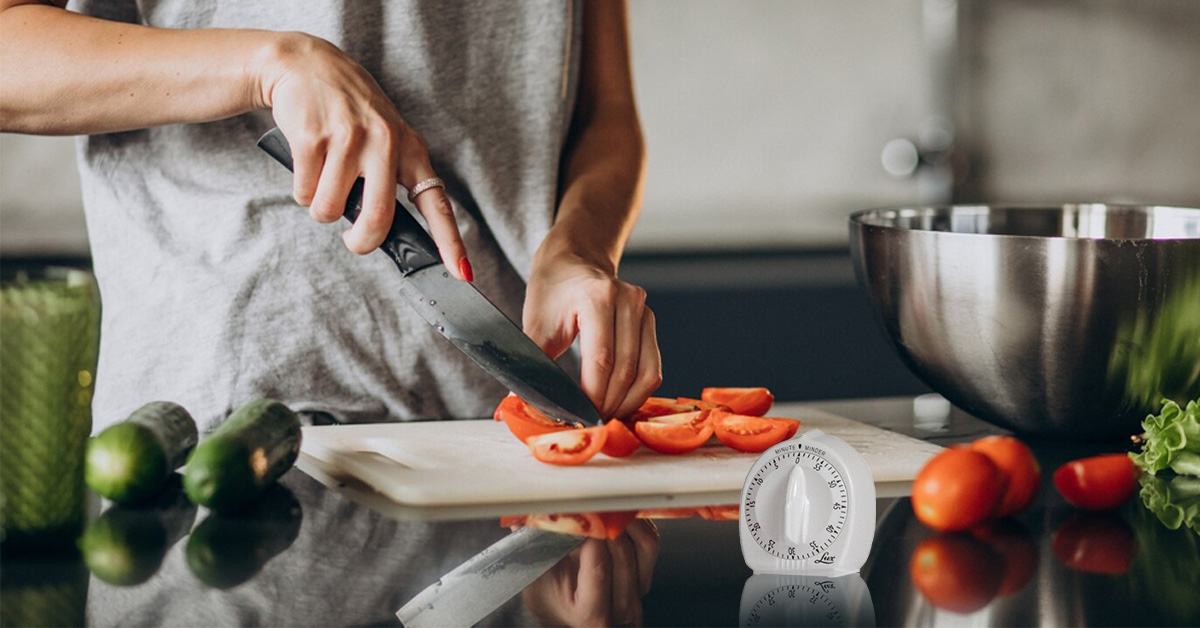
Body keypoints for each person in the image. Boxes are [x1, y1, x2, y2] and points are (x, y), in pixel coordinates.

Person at [0, 0, 661, 430]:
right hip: (228, 432)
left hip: (504, 430)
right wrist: (269, 65)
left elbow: (606, 114)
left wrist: (579, 248)